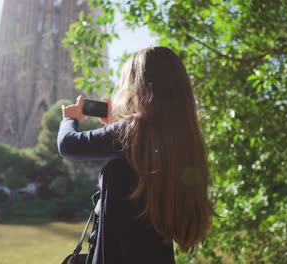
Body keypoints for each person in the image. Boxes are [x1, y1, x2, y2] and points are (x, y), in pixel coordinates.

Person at [58, 46, 214, 264]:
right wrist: (115, 126)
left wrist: (69, 118)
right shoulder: (185, 141)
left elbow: (68, 145)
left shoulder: (134, 130)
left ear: (138, 87)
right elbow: (137, 156)